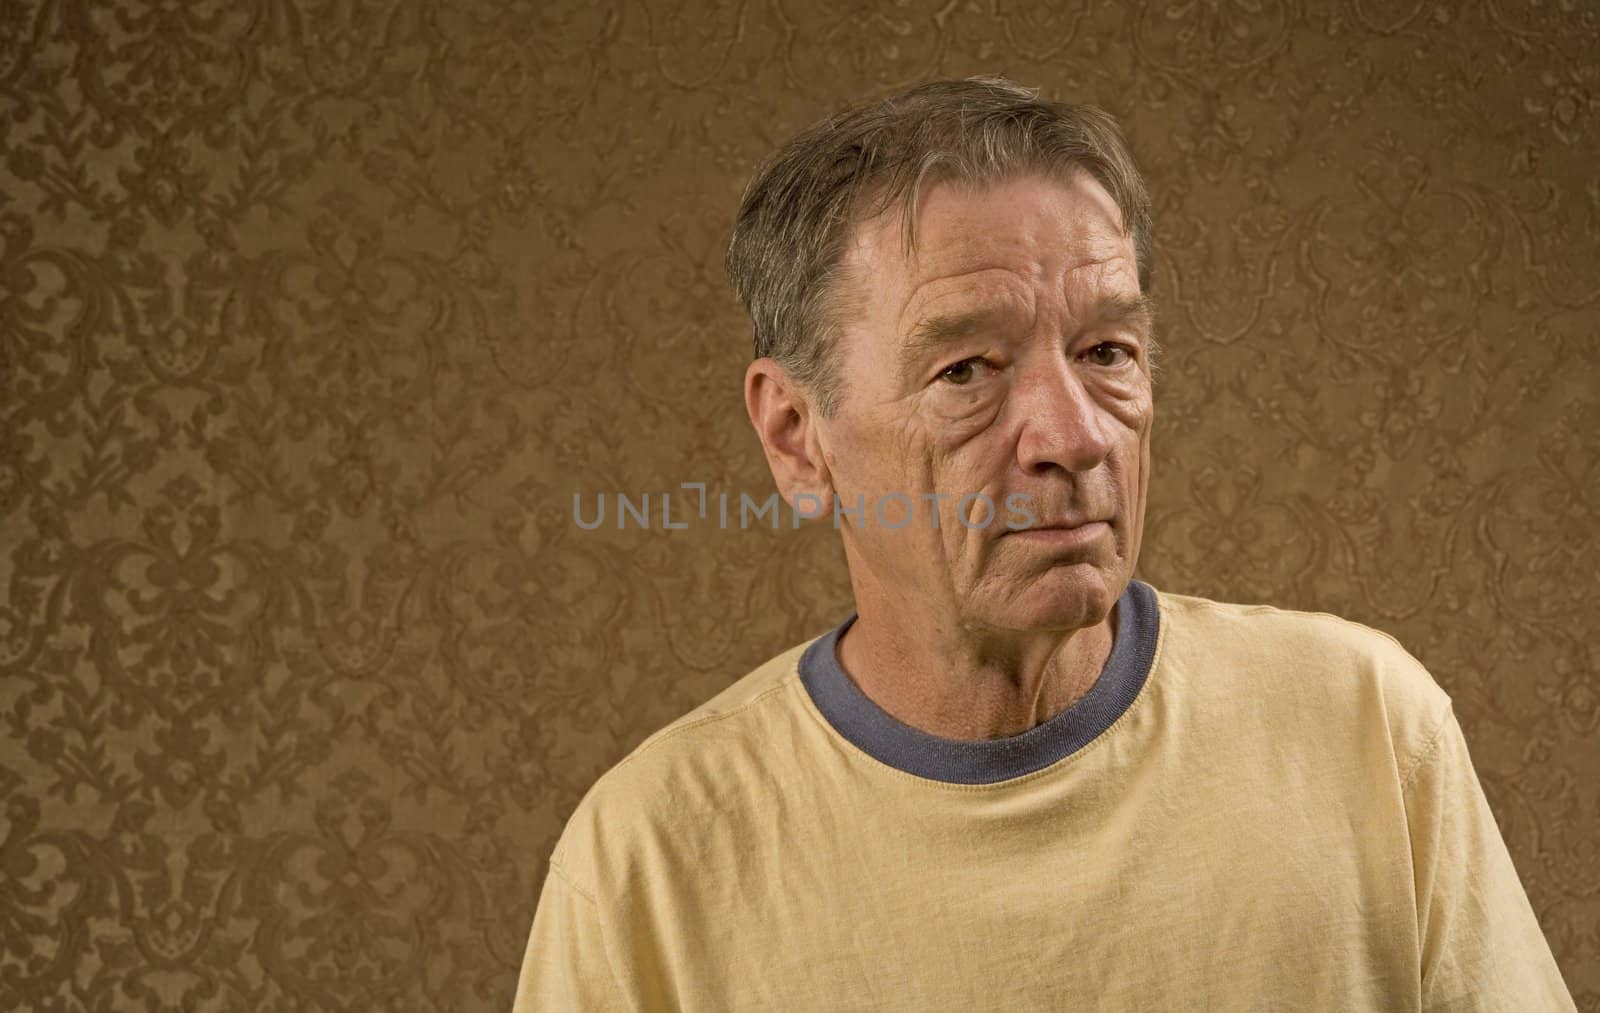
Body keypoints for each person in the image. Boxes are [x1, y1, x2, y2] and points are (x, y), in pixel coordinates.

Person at [512, 76, 1575, 1011]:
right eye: (966, 369)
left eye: (1107, 350)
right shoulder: (647, 860)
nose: (1072, 435)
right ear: (798, 439)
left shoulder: (1368, 730)